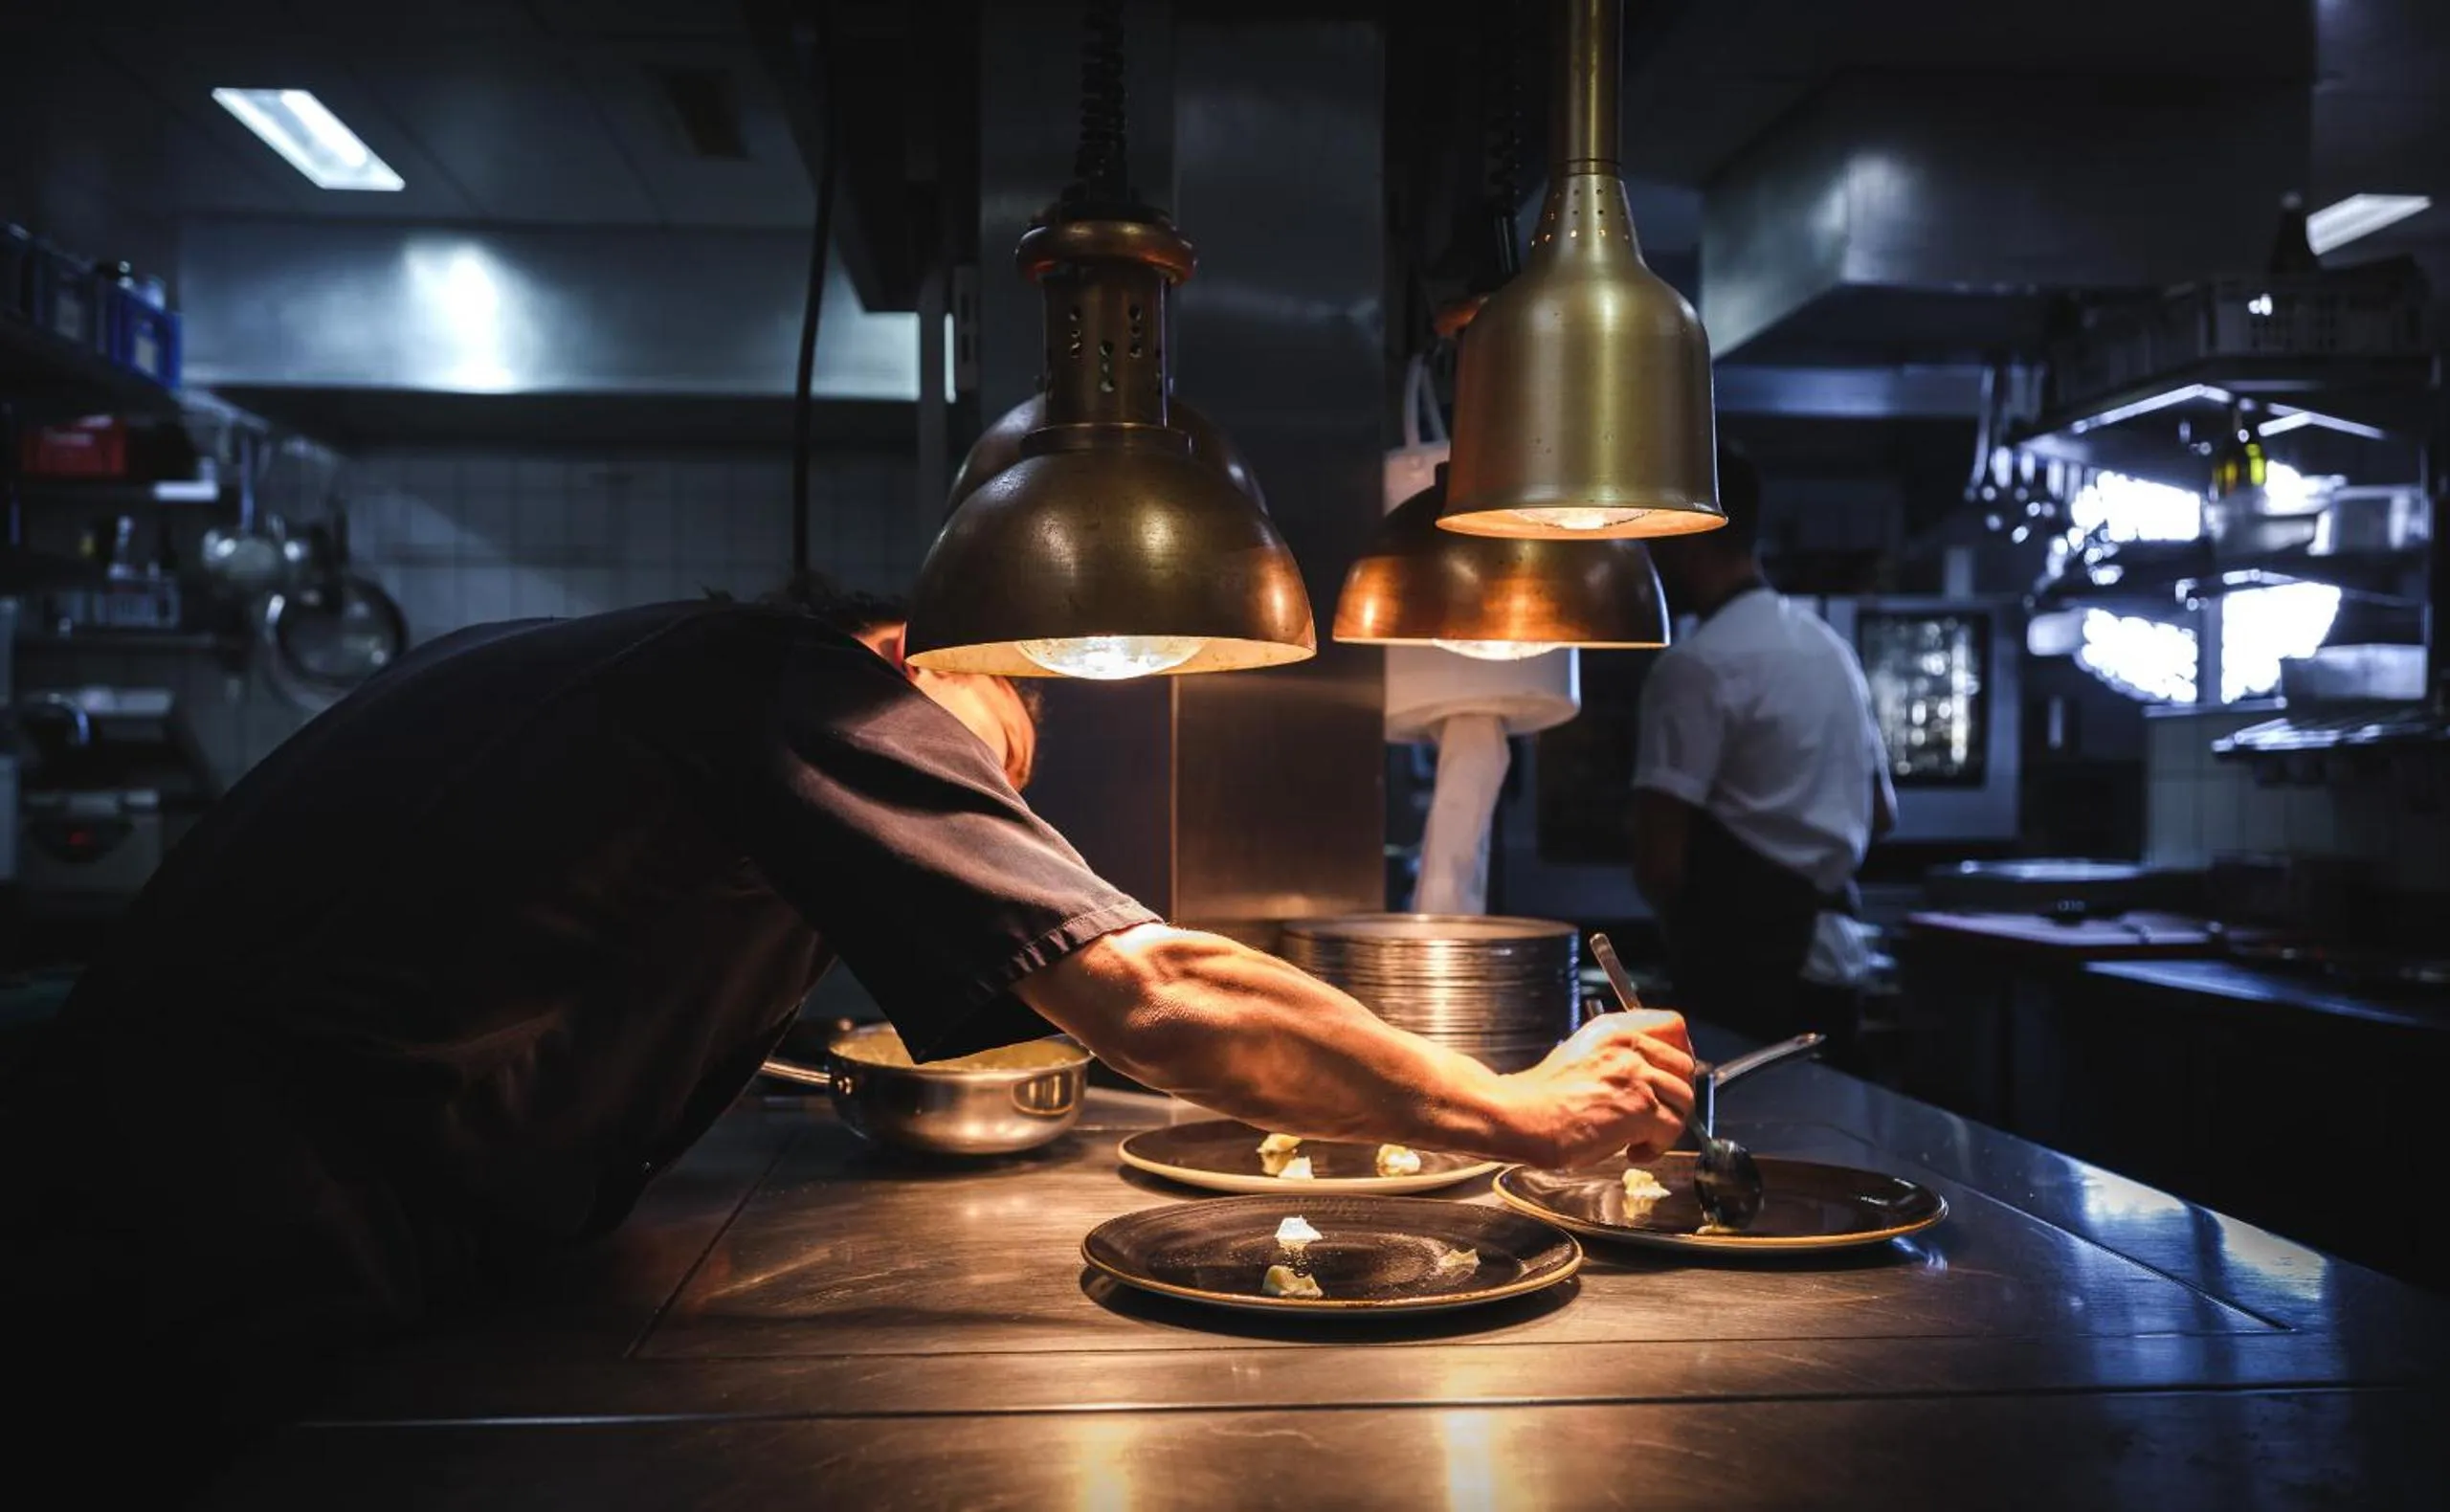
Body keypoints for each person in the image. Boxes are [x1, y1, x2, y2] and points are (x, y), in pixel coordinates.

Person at [3, 574, 1693, 1481]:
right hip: (198, 1239)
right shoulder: (780, 679)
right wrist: (1523, 1112)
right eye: (970, 777)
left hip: (212, 1204)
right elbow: (1155, 990)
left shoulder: (638, 675)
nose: (960, 821)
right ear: (898, 655)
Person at [1630, 444, 1896, 1053]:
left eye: (1654, 533)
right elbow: (1882, 814)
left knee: (1748, 1138)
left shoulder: (1696, 665)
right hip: (1839, 964)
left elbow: (1659, 862)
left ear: (1687, 535)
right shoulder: (1830, 649)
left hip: (1745, 980)